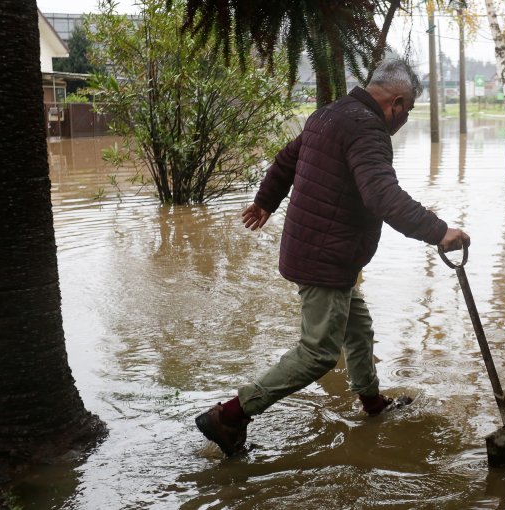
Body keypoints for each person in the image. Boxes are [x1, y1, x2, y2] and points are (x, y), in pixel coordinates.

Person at [195, 59, 471, 456]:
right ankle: (231, 414)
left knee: (358, 330)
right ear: (395, 102)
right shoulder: (368, 129)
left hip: (322, 252)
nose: (404, 121)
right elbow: (381, 195)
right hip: (324, 259)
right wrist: (438, 230)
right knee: (318, 353)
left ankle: (374, 406)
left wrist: (265, 201)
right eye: (407, 112)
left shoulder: (329, 114)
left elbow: (288, 158)